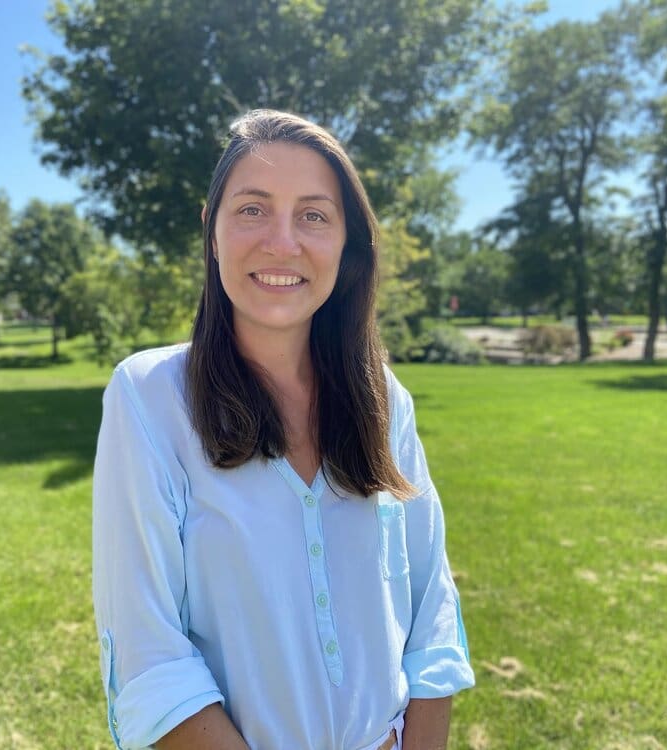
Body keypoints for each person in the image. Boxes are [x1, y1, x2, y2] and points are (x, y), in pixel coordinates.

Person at [92, 109, 474, 750]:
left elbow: (431, 610)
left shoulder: (385, 399)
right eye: (251, 209)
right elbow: (147, 655)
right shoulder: (150, 398)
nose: (282, 242)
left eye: (314, 215)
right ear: (211, 232)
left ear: (347, 246)